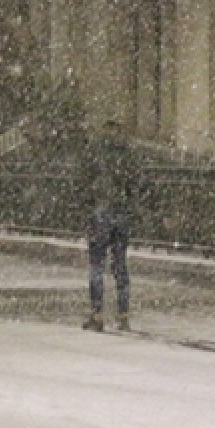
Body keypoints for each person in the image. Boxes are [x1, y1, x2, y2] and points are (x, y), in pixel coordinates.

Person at [81, 122, 137, 332]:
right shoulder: (128, 155)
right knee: (120, 264)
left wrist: (87, 208)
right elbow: (135, 185)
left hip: (101, 214)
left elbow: (84, 184)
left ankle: (97, 315)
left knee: (97, 265)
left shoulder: (95, 153)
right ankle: (123, 314)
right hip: (121, 214)